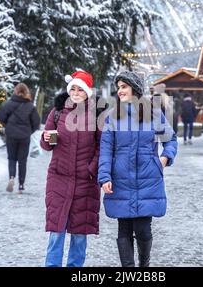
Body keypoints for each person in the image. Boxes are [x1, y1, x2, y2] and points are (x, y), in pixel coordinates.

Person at [98, 71, 178, 267]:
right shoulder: (112, 117)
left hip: (148, 179)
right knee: (123, 228)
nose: (120, 91)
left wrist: (164, 160)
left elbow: (171, 140)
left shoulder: (154, 114)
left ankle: (144, 265)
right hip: (120, 178)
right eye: (118, 87)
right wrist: (104, 176)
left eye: (124, 86)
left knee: (143, 230)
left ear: (135, 88)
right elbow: (106, 150)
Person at [41, 70, 102, 267]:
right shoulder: (57, 112)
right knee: (56, 232)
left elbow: (103, 146)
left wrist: (91, 169)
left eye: (80, 89)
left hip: (86, 182)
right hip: (59, 179)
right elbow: (45, 144)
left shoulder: (96, 114)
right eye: (73, 89)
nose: (75, 93)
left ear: (87, 92)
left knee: (79, 234)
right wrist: (46, 139)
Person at [0, 83, 40, 193]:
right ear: (26, 92)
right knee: (22, 160)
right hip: (24, 136)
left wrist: (8, 126)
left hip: (11, 134)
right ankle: (21, 185)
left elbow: (0, 117)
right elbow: (36, 123)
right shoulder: (30, 106)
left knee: (11, 158)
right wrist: (29, 131)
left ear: (15, 91)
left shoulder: (9, 104)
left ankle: (11, 177)